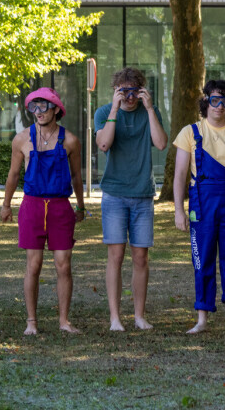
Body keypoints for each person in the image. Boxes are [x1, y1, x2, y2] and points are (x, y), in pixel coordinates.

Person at [172, 79, 225, 334]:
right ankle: (202, 319)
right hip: (201, 206)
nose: (220, 106)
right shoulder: (190, 133)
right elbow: (180, 175)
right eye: (215, 100)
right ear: (206, 101)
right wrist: (179, 210)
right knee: (202, 260)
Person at [1, 88, 86, 335]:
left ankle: (64, 321)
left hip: (60, 207)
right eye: (33, 107)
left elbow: (76, 176)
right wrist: (6, 204)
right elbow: (13, 175)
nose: (37, 112)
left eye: (43, 107)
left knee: (63, 265)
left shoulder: (70, 140)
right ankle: (31, 322)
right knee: (33, 264)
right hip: (32, 206)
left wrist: (81, 206)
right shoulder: (21, 139)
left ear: (56, 109)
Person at [93, 67, 167, 331]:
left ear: (142, 90)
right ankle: (115, 318)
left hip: (143, 194)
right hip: (114, 194)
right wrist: (115, 109)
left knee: (140, 257)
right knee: (115, 256)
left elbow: (161, 144)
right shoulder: (104, 112)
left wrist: (150, 109)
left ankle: (139, 316)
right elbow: (103, 144)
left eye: (134, 91)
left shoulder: (150, 112)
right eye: (124, 91)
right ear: (116, 90)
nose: (130, 96)